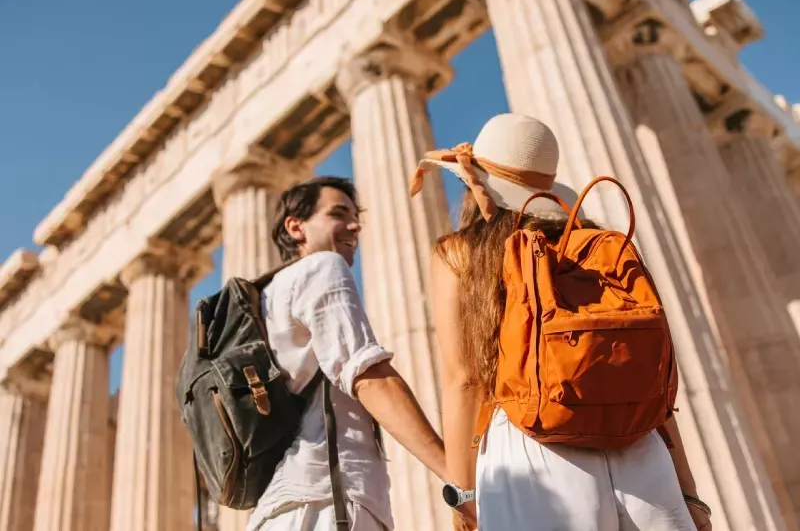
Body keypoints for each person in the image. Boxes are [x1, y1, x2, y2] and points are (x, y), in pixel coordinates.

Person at [412, 113, 712, 531]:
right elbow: (647, 373)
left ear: (472, 185)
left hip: (532, 450)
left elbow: (463, 380)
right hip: (641, 452)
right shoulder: (598, 251)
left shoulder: (460, 253)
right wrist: (689, 493)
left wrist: (463, 495)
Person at [246, 176, 449, 531]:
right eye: (338, 213)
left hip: (282, 507)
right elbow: (368, 378)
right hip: (326, 503)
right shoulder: (323, 266)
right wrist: (457, 476)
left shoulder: (267, 297)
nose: (355, 226)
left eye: (356, 216)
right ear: (296, 227)